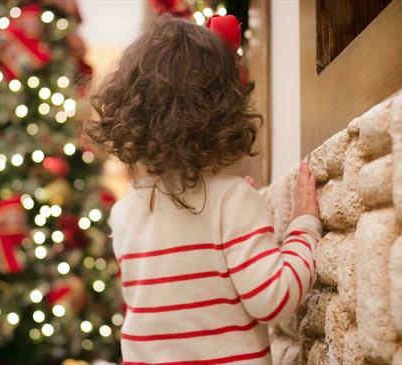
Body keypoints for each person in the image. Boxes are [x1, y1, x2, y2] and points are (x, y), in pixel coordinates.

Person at [86, 13, 321, 365]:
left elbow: (180, 293)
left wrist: (235, 212)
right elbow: (273, 299)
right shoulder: (232, 200)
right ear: (223, 111)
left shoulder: (123, 214)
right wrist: (303, 226)